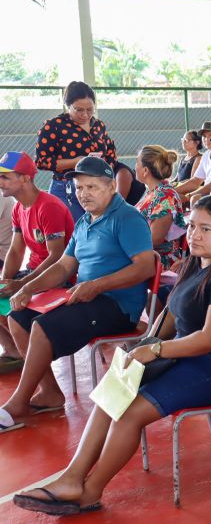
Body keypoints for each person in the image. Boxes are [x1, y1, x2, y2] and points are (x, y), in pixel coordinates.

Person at [11, 195, 211, 513]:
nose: (194, 235)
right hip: (180, 355)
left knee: (129, 413)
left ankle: (91, 491)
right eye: (193, 226)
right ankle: (72, 478)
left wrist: (155, 350)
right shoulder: (195, 262)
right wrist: (146, 343)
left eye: (206, 229)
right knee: (110, 393)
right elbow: (170, 314)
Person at [0, 157, 154, 433]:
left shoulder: (128, 218)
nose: (83, 194)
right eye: (80, 187)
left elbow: (145, 267)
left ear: (111, 187)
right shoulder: (84, 221)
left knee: (42, 326)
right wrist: (27, 288)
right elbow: (63, 266)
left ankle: (18, 404)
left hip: (117, 307)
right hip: (85, 297)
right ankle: (50, 392)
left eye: (92, 187)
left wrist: (96, 285)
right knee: (18, 316)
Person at [0, 152, 74, 375]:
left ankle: (34, 363)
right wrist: (7, 280)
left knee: (15, 313)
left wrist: (22, 286)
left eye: (5, 177)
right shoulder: (17, 207)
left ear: (25, 178)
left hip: (59, 278)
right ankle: (16, 351)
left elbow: (56, 257)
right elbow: (15, 250)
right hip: (33, 273)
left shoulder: (48, 206)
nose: (0, 182)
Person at [35, 81, 118, 221]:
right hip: (66, 188)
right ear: (68, 106)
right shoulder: (54, 126)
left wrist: (106, 170)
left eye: (90, 109)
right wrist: (75, 162)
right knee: (72, 233)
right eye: (79, 110)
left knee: (97, 231)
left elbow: (110, 151)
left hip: (97, 188)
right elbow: (42, 161)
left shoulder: (98, 125)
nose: (85, 115)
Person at [134, 145, 186, 269]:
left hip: (158, 263)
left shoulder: (164, 196)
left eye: (137, 162)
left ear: (145, 170)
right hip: (143, 256)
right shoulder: (153, 192)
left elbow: (155, 239)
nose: (135, 167)